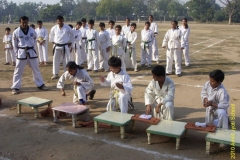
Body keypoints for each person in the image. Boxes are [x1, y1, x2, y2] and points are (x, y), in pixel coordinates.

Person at [11, 16, 48, 94]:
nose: (24, 24)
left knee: (36, 69)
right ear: (20, 22)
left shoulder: (32, 31)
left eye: (25, 22)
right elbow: (14, 44)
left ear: (28, 22)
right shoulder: (16, 31)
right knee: (18, 70)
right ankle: (15, 87)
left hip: (31, 51)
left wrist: (33, 49)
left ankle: (40, 84)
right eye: (22, 22)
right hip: (21, 52)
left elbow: (34, 40)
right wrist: (17, 53)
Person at [49, 15, 74, 80]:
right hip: (57, 45)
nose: (59, 22)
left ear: (63, 20)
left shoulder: (67, 27)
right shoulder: (54, 28)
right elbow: (51, 35)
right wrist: (52, 42)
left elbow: (72, 35)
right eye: (58, 21)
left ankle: (67, 73)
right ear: (57, 21)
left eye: (60, 21)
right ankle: (55, 74)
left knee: (66, 60)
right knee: (55, 60)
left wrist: (70, 42)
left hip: (65, 45)